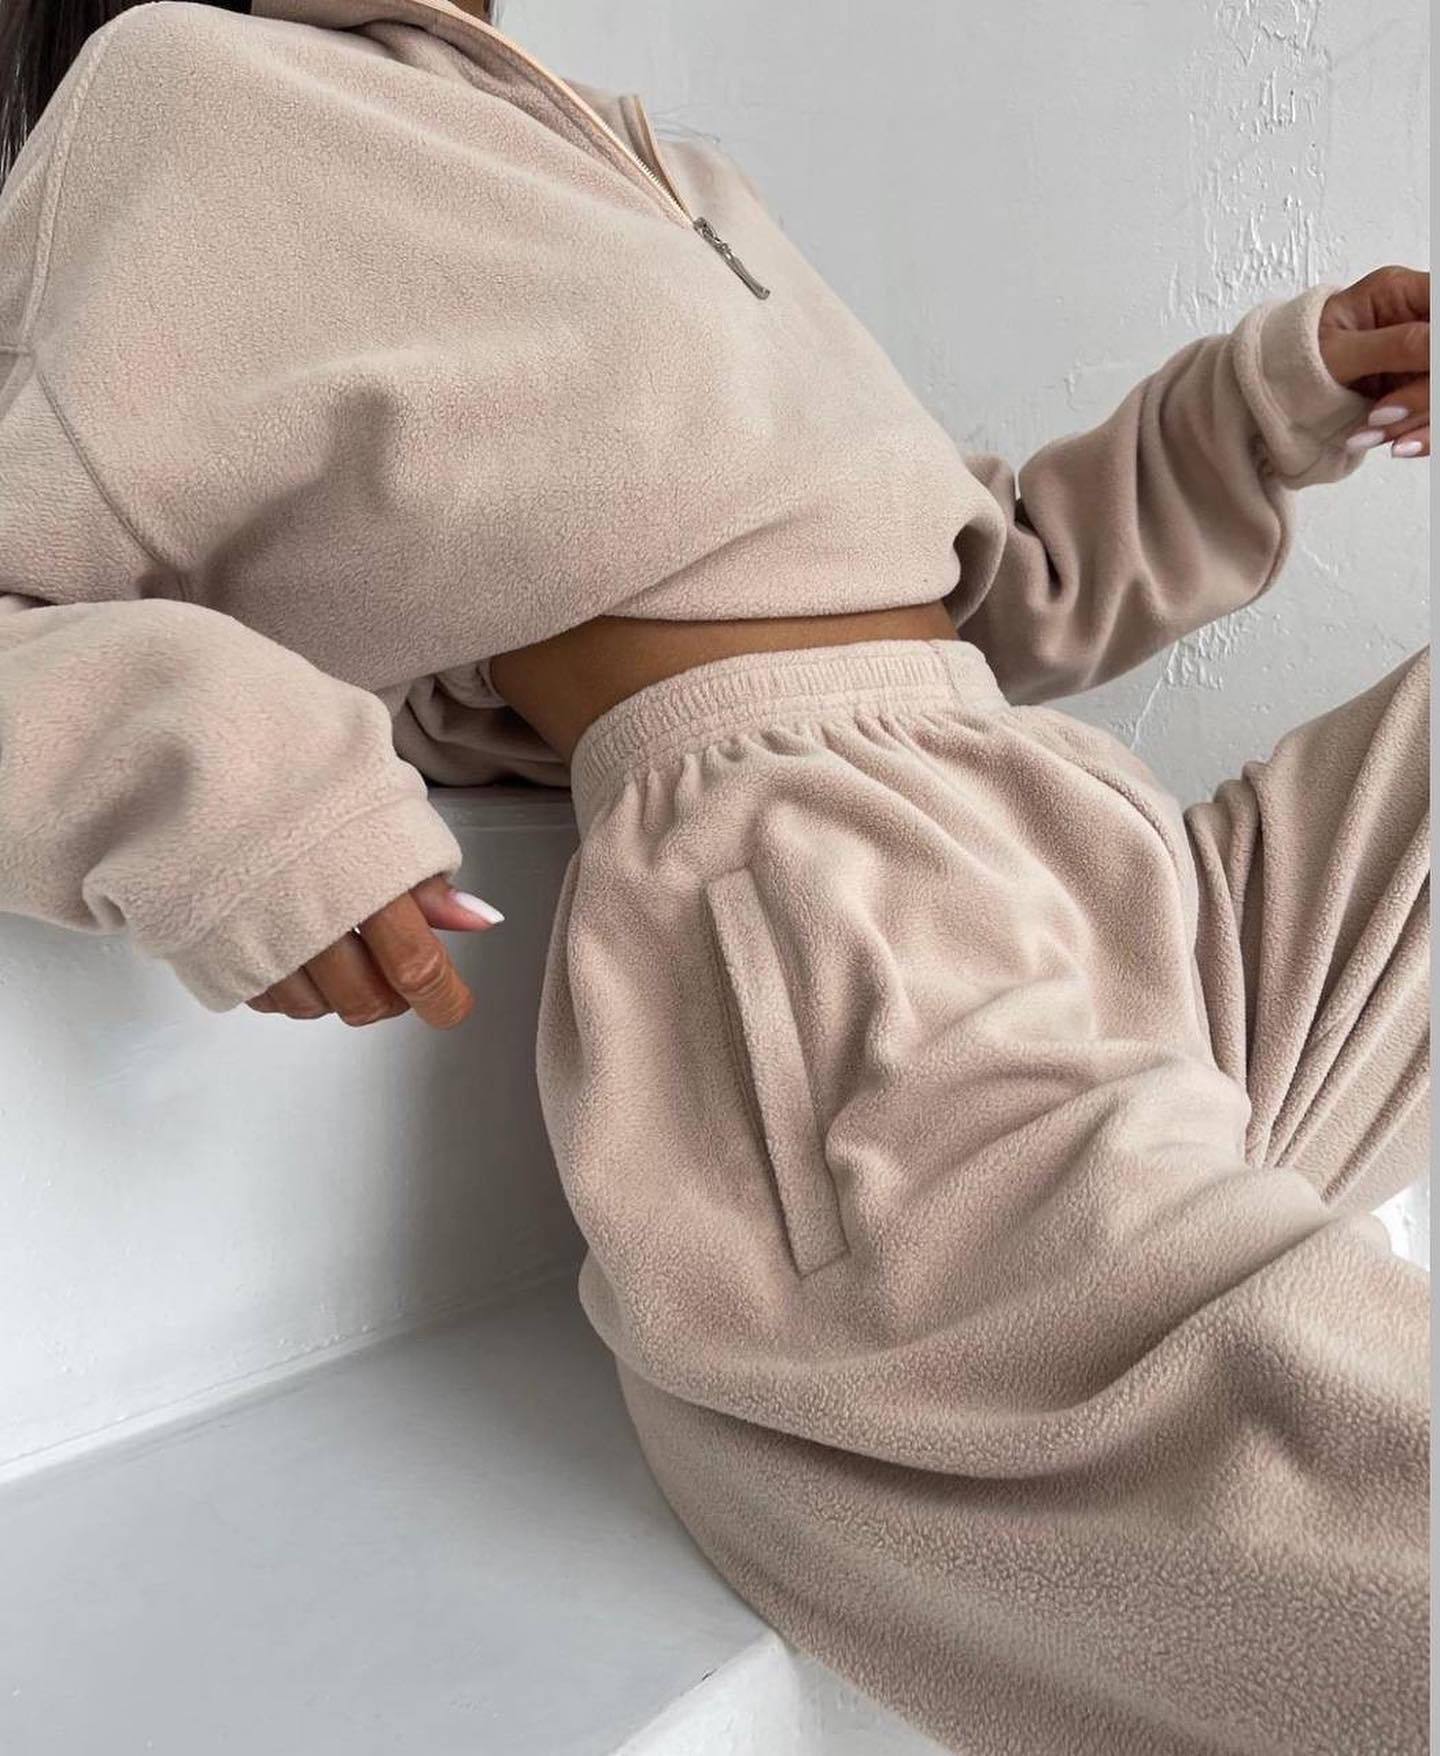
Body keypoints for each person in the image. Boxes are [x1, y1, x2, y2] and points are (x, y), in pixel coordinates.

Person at [0, 0, 1429, 1749]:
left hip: (1102, 866)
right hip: (833, 915)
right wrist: (243, 800)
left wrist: (1267, 401)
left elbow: (993, 593)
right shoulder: (187, 92)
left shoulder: (660, 166)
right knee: (1356, 1480)